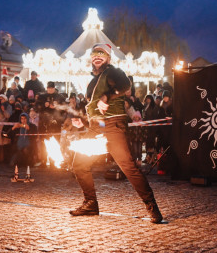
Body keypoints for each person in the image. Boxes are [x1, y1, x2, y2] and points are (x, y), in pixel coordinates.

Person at [70, 43, 163, 223]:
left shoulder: (113, 72)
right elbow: (93, 106)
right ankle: (90, 203)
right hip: (95, 127)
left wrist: (107, 97)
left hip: (113, 126)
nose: (97, 56)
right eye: (94, 53)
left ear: (109, 58)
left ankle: (152, 207)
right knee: (79, 164)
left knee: (128, 167)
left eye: (102, 54)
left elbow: (125, 84)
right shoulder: (93, 81)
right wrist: (82, 120)